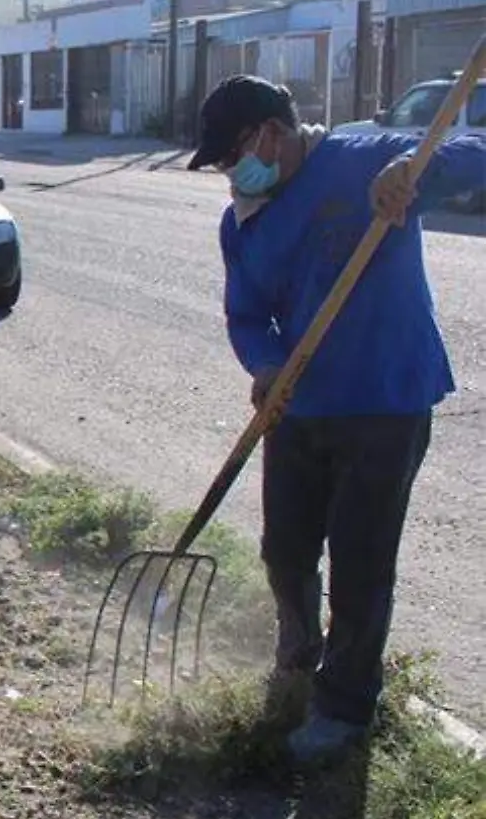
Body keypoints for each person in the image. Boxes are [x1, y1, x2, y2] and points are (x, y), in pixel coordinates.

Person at [187, 74, 486, 765]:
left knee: (361, 560)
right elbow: (245, 315)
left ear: (270, 132)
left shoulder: (359, 160)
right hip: (297, 403)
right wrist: (265, 366)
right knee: (284, 547)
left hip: (385, 399)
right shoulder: (244, 219)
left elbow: (471, 151)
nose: (234, 174)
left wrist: (414, 171)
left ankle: (346, 708)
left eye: (234, 157)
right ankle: (298, 653)